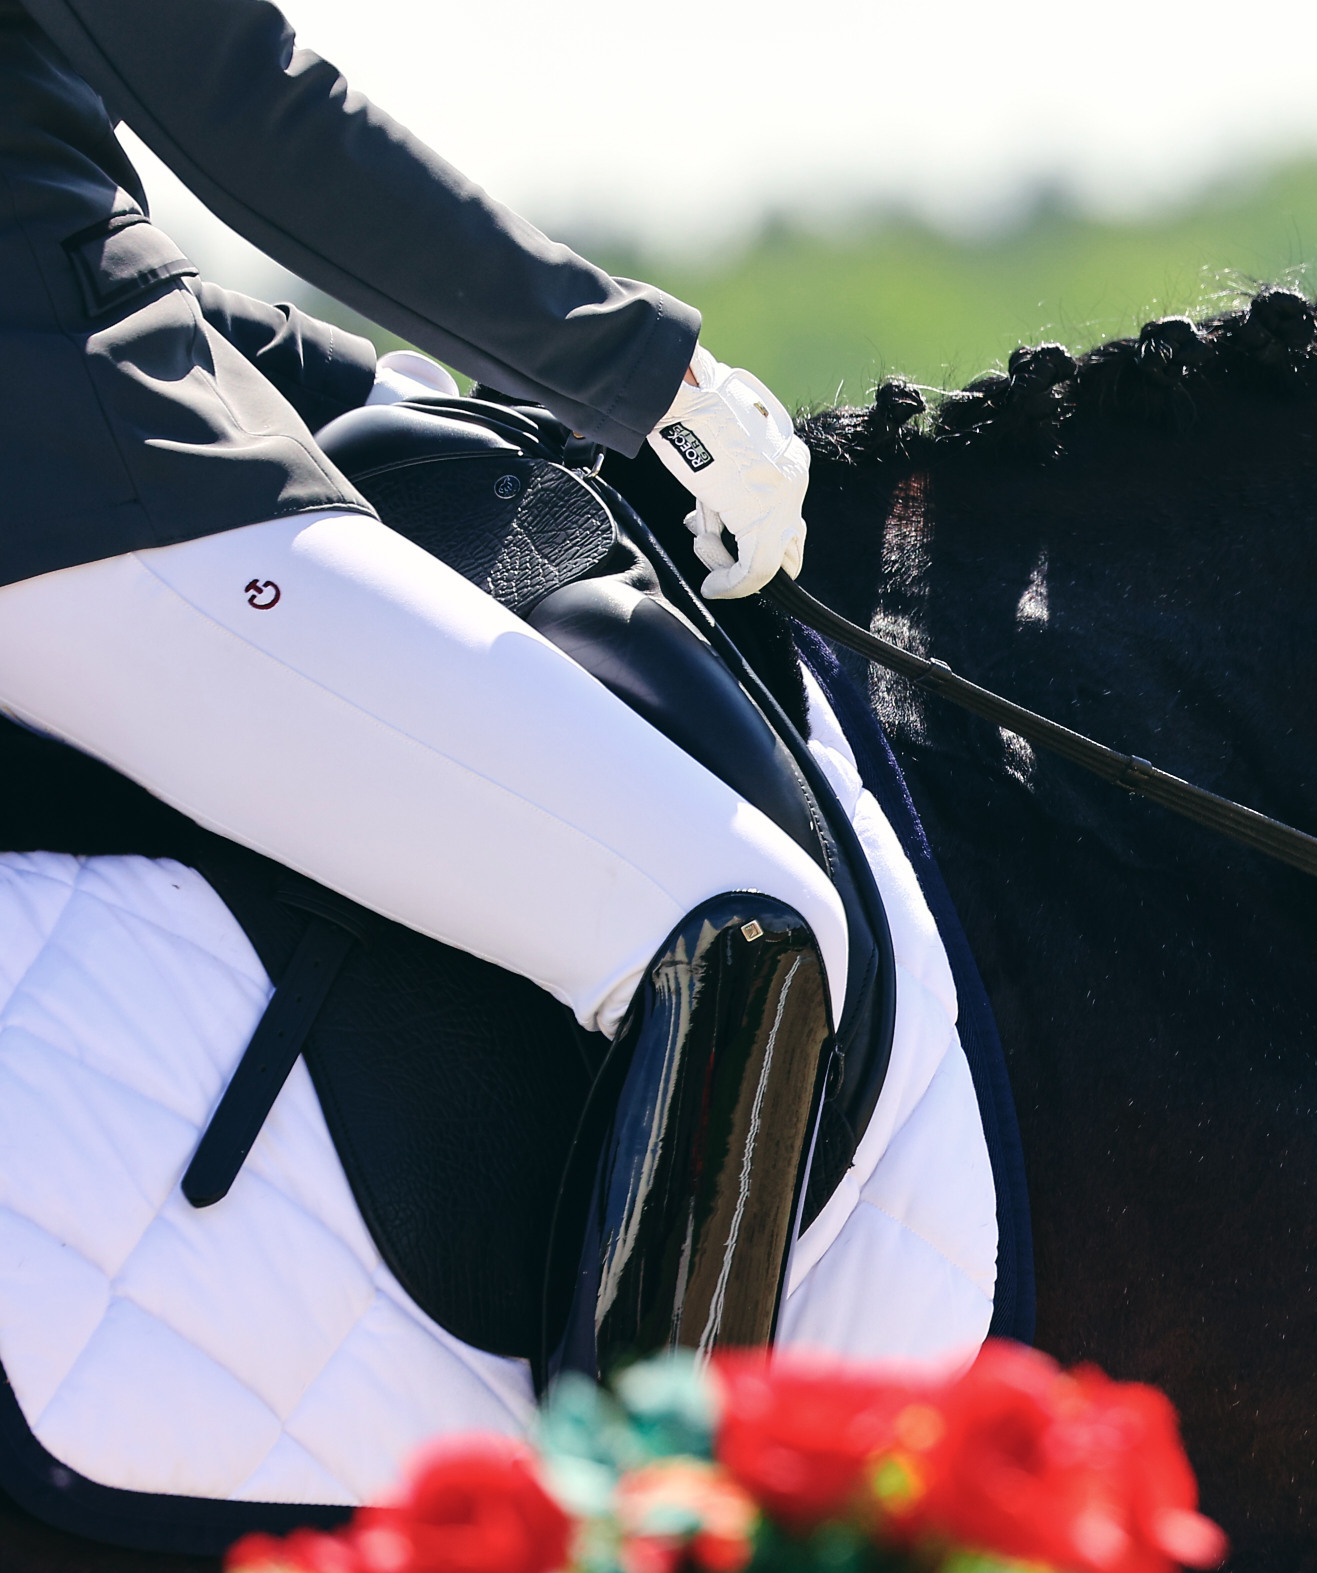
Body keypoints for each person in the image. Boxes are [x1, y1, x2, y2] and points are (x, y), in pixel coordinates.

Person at [0, 0, 853, 1369]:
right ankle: (639, 1572)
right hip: (87, 495)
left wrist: (376, 379)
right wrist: (643, 375)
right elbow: (246, 107)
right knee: (738, 923)